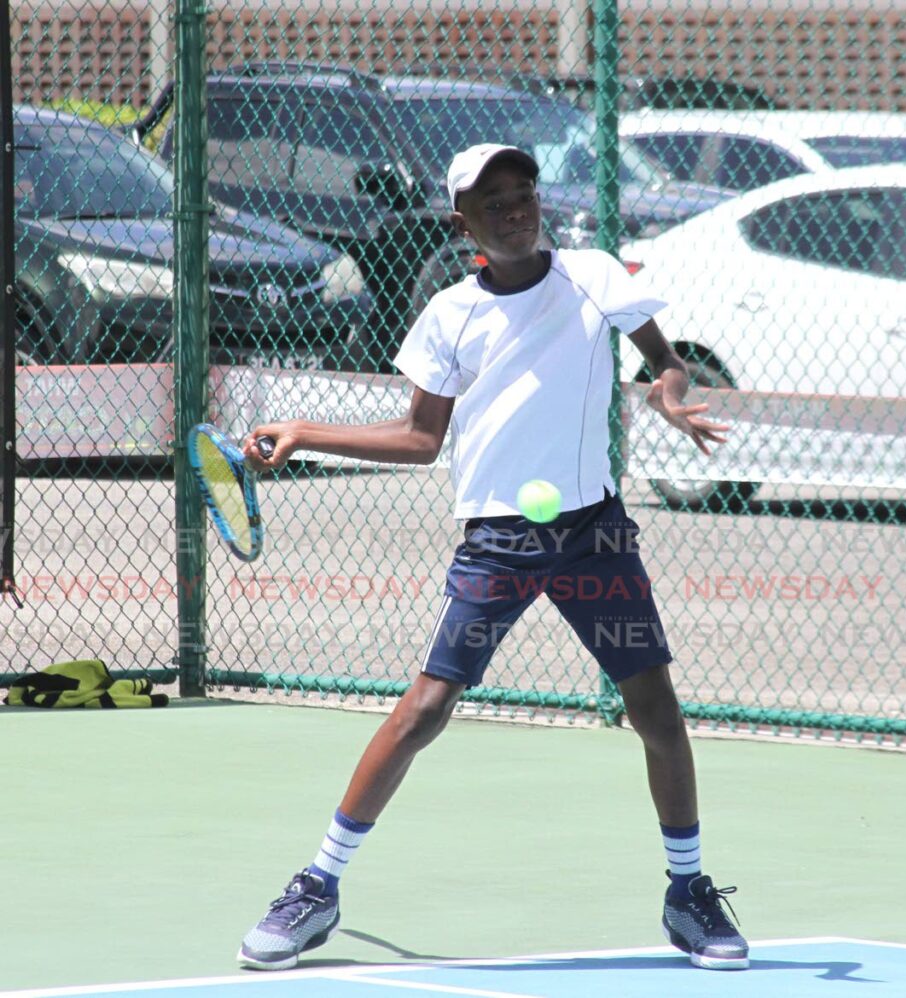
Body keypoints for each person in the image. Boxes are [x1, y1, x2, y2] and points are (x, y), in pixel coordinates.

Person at [237, 143, 748, 973]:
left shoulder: (593, 275)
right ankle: (316, 887)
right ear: (462, 222)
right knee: (426, 708)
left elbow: (665, 358)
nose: (517, 207)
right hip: (499, 541)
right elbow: (419, 437)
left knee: (656, 712)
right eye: (495, 200)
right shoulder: (448, 315)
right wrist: (304, 433)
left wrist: (670, 388)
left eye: (525, 192)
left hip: (593, 533)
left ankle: (688, 894)